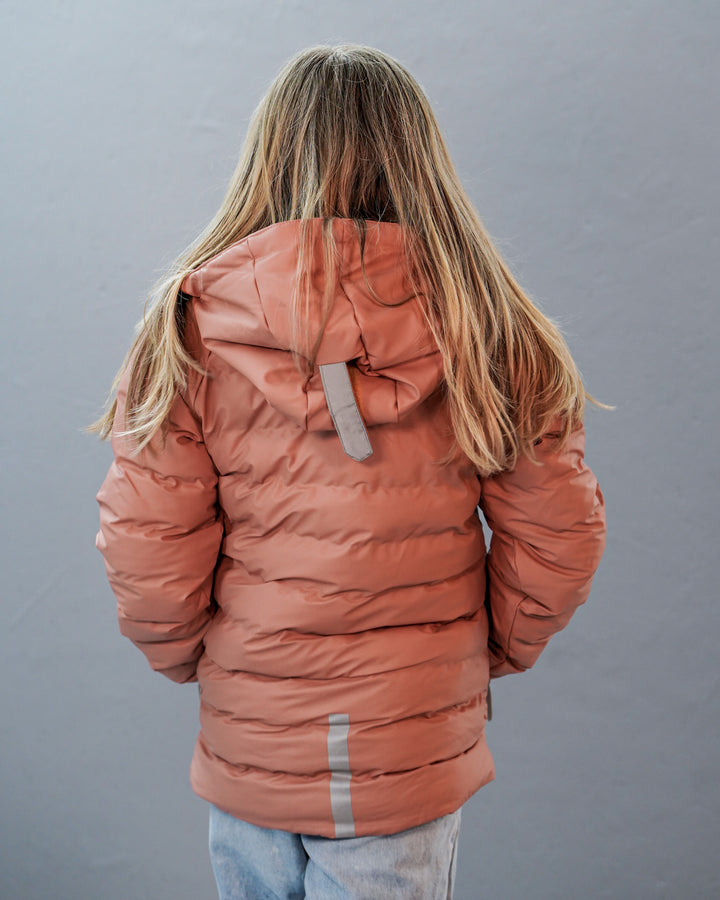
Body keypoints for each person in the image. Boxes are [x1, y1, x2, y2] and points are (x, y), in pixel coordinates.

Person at [91, 43, 607, 900]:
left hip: (254, 737)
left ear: (270, 153)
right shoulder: (489, 323)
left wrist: (202, 663)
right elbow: (561, 536)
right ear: (420, 160)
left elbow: (146, 548)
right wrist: (485, 651)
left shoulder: (189, 325)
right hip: (409, 742)